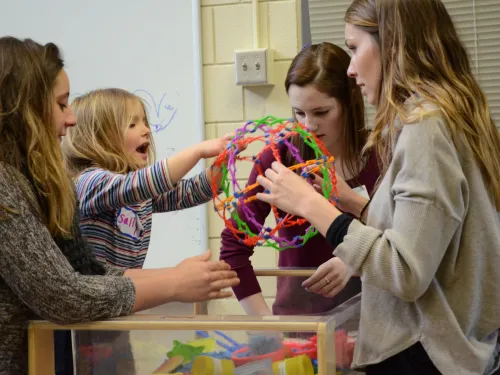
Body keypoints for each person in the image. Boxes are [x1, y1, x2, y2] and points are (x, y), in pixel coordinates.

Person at [255, 0, 500, 374]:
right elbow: (425, 236)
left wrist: (313, 205)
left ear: (392, 43)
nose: (351, 69)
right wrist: (354, 202)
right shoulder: (454, 114)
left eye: (355, 48)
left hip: (424, 353)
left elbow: (405, 271)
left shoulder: (426, 128)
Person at [0, 36, 239, 375]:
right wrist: (198, 151)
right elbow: (65, 292)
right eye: (61, 105)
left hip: (109, 309)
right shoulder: (92, 182)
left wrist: (222, 170)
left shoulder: (32, 183)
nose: (71, 120)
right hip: (82, 327)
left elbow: (181, 193)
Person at [220, 42, 379, 318]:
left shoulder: (382, 155)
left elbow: (404, 240)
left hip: (376, 325)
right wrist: (268, 329)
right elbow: (233, 248)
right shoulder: (278, 159)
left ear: (350, 102)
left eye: (321, 112)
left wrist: (356, 258)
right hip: (300, 328)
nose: (308, 125)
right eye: (299, 113)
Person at [63, 88, 232, 269]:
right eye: (132, 125)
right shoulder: (89, 182)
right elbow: (142, 183)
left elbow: (188, 193)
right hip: (96, 293)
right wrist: (197, 151)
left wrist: (222, 162)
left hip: (124, 291)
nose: (147, 131)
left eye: (144, 122)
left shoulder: (138, 194)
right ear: (98, 138)